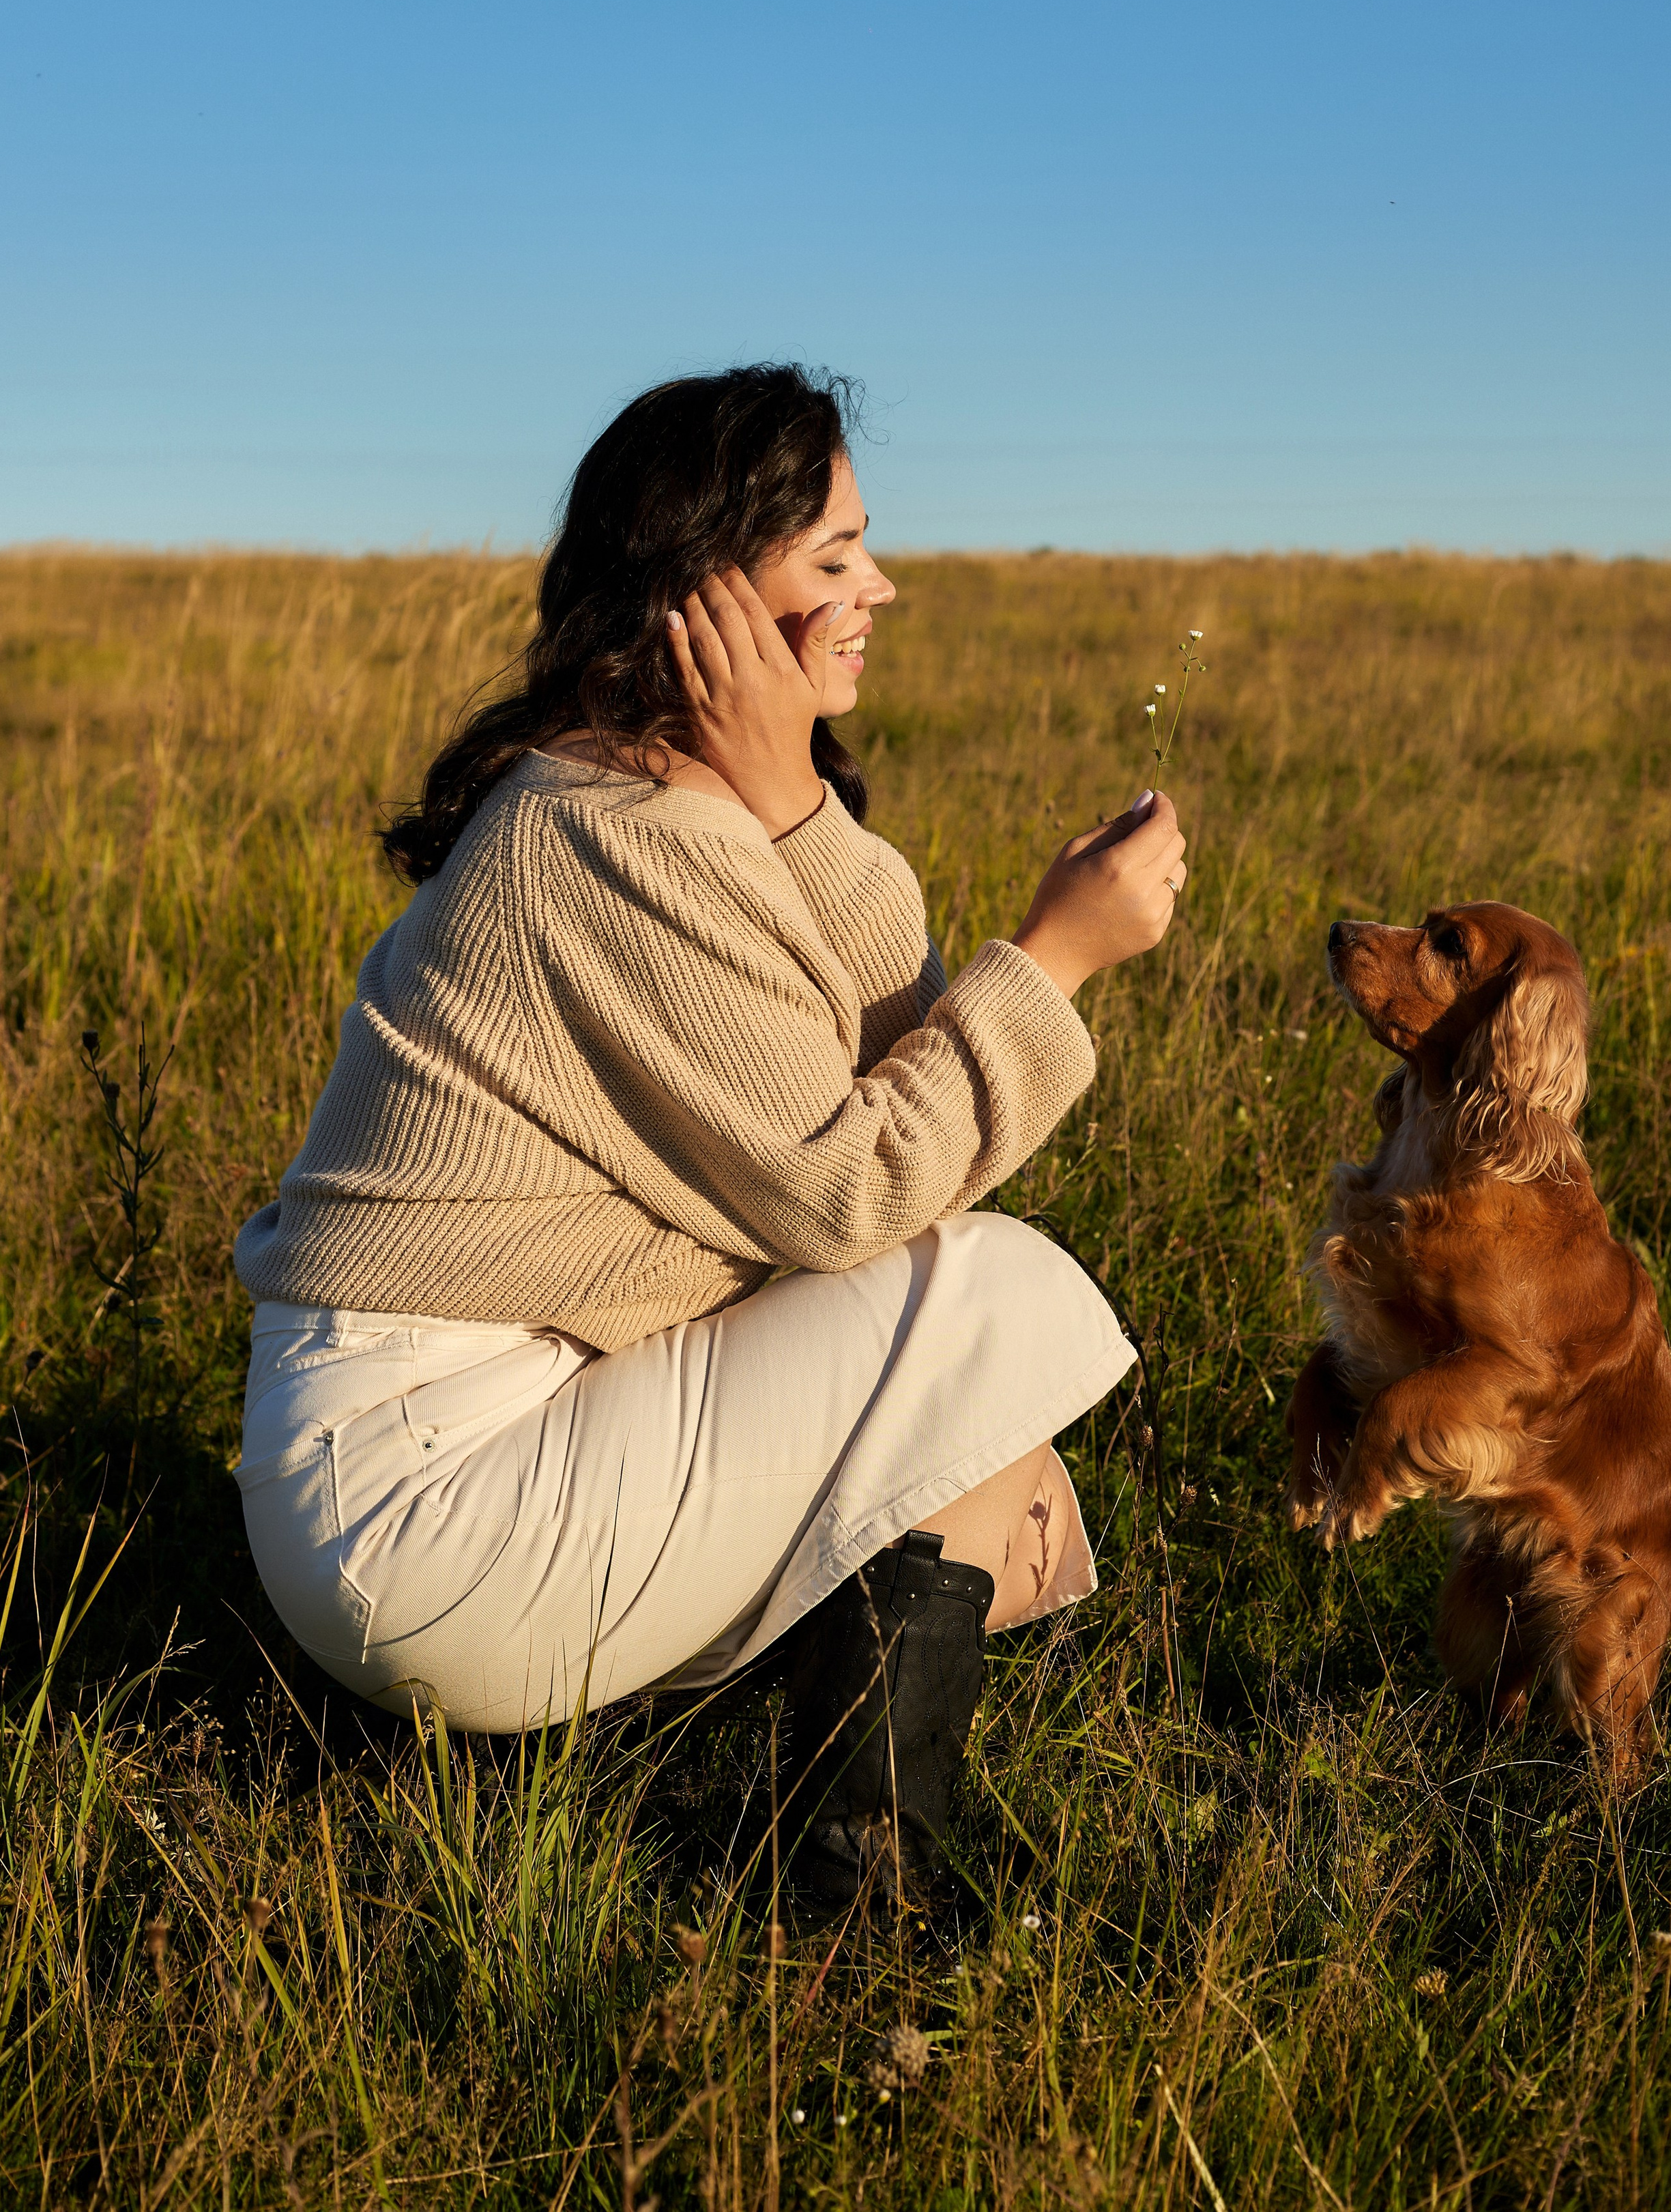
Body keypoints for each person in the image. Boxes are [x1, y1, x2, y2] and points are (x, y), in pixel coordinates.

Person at [233, 364, 1188, 1911]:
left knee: (971, 1384)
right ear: (706, 602)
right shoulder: (600, 838)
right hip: (421, 1505)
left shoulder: (664, 804)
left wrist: (794, 804)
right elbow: (856, 1184)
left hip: (482, 1434)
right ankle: (850, 1884)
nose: (880, 584)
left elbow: (880, 1066)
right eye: (832, 558)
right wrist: (1060, 956)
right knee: (981, 1293)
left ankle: (857, 1811)